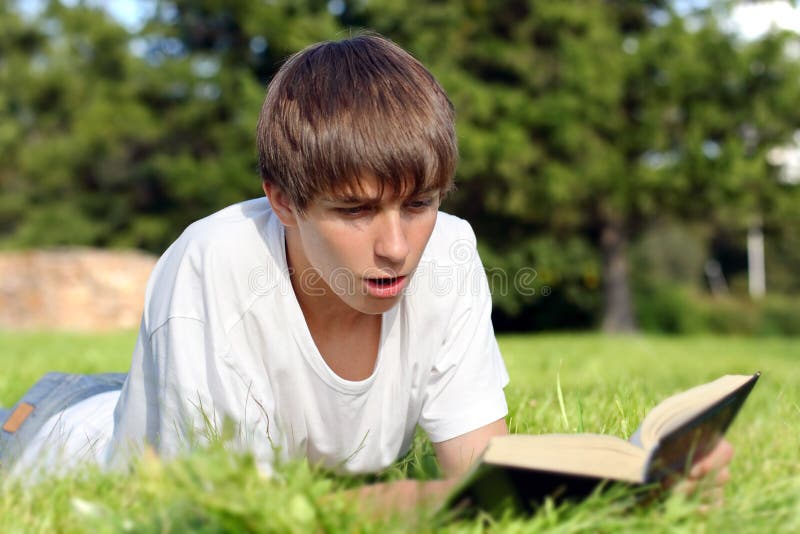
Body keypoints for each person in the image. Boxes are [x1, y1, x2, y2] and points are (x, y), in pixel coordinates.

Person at [0, 33, 732, 513]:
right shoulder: (211, 265)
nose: (396, 247)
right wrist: (422, 502)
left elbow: (480, 470)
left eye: (419, 205)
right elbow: (241, 517)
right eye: (354, 212)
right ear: (282, 201)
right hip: (57, 434)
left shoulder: (447, 251)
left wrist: (637, 483)